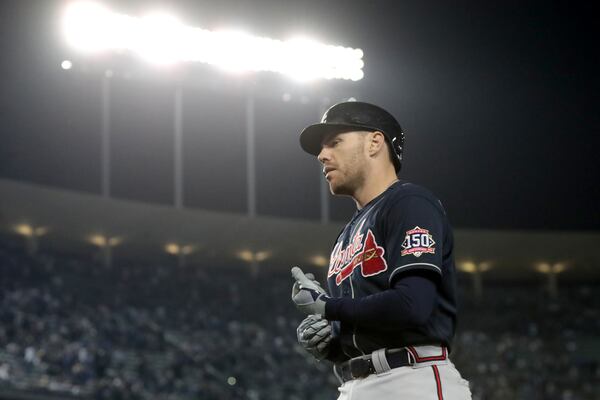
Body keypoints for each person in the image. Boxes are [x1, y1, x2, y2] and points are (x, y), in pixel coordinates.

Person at [291, 101, 472, 399]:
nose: (322, 155)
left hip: (411, 379)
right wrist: (327, 340)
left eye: (335, 142)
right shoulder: (346, 235)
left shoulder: (410, 203)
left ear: (375, 142)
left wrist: (328, 307)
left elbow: (412, 304)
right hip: (354, 383)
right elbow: (364, 327)